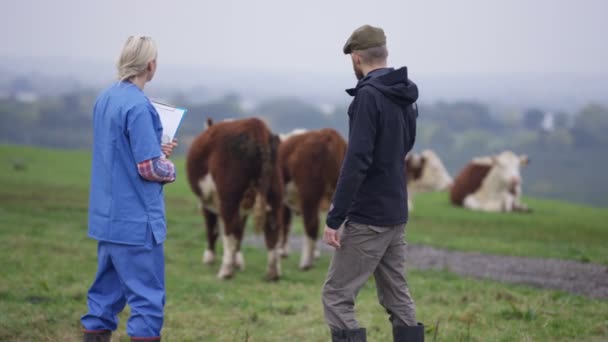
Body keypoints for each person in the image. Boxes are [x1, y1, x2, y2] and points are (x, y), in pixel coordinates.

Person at [321, 25, 424, 342]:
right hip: (396, 212)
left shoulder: (368, 97)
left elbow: (357, 161)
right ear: (384, 54)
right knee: (397, 297)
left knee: (336, 295)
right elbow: (406, 147)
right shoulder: (405, 92)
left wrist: (336, 217)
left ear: (356, 58)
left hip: (368, 217)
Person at [81, 36, 178, 342]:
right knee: (147, 302)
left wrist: (156, 150)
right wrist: (169, 166)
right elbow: (149, 169)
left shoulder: (106, 98)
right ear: (151, 65)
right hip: (136, 223)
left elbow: (120, 150)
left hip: (107, 218)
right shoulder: (139, 106)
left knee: (103, 299)